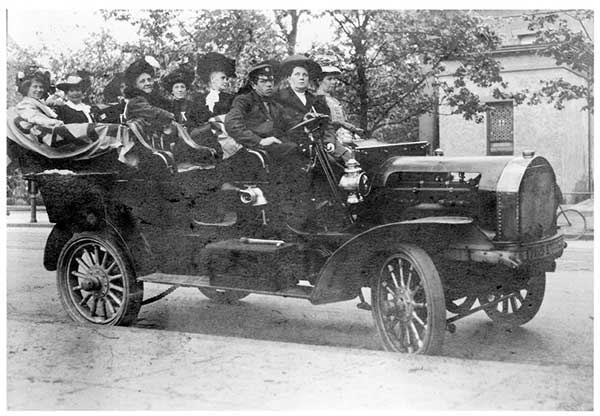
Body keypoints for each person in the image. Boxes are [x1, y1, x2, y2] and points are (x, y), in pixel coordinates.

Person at [273, 55, 352, 163]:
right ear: (289, 78)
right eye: (297, 74)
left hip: (319, 143)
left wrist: (329, 141)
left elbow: (327, 123)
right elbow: (279, 125)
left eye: (305, 75)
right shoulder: (279, 98)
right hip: (293, 144)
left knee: (346, 160)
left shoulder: (316, 100)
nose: (301, 78)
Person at [315, 65, 364, 144]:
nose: (334, 82)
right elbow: (324, 124)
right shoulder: (318, 100)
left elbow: (342, 120)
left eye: (334, 79)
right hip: (329, 140)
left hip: (343, 136)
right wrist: (348, 127)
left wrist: (352, 131)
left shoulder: (334, 100)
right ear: (319, 81)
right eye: (329, 79)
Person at [195, 52, 236, 121]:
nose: (226, 81)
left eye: (227, 79)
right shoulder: (198, 100)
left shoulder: (231, 99)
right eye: (223, 78)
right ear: (212, 79)